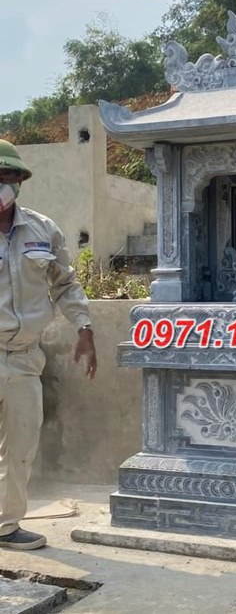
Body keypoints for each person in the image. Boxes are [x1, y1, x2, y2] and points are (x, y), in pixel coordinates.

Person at [0, 139, 97, 550]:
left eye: (9, 176)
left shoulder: (42, 230)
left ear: (21, 181)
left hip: (24, 358)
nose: (3, 184)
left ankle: (5, 526)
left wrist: (84, 328)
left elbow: (65, 284)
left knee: (21, 446)